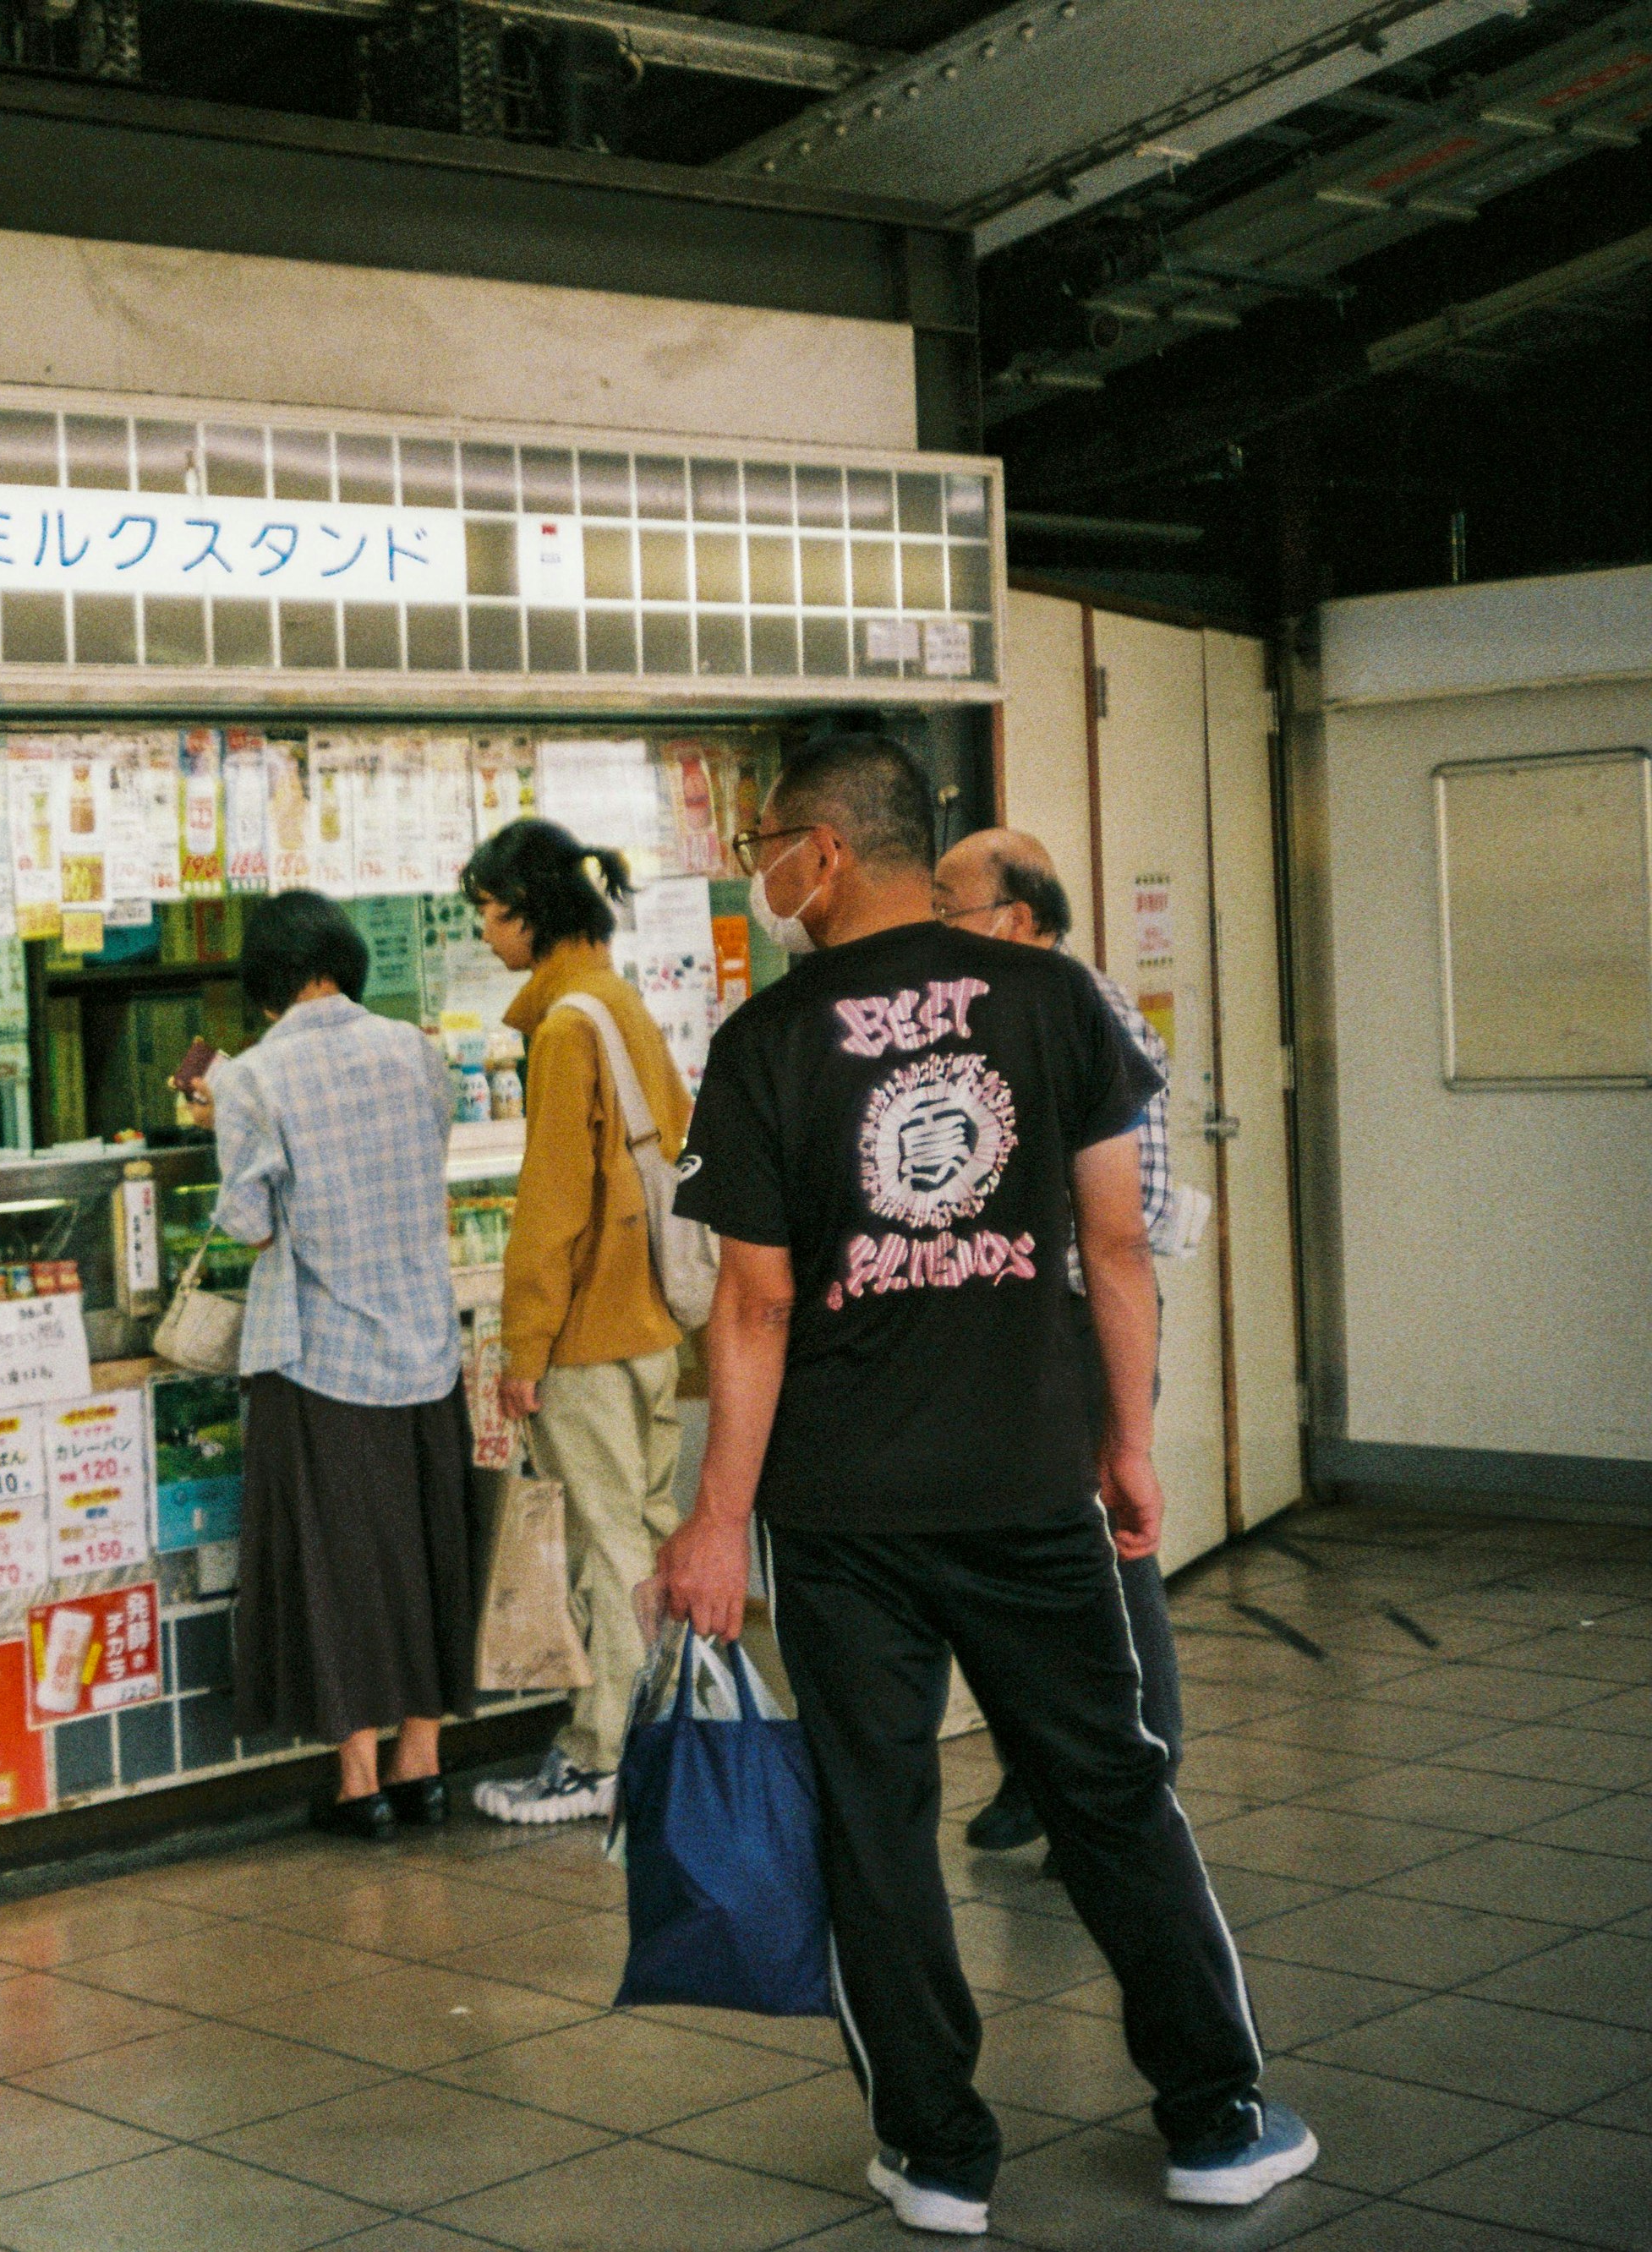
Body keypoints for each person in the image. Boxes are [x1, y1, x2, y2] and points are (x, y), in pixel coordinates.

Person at [650, 738, 1313, 2235]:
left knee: (876, 1815)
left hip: (838, 1507)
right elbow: (1117, 1245)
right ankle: (1215, 2117)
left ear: (820, 854)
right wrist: (1129, 1440)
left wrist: (714, 1517)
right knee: (1109, 1787)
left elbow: (751, 1307)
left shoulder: (765, 1041)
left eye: (766, 842)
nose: (761, 868)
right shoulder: (1052, 998)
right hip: (1026, 1475)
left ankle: (939, 2151)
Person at [932, 826, 1190, 1855]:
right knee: (1008, 1563)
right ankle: (1033, 1779)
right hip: (999, 1331)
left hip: (1077, 1328)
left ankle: (1143, 1782)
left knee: (1104, 1560)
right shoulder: (969, 1017)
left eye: (949, 908)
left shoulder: (1089, 1010)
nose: (934, 929)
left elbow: (1140, 1209)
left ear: (1020, 919)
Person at [206, 890, 480, 1840]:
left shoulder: (251, 1077)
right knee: (426, 1555)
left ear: (266, 978)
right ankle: (425, 1764)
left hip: (318, 1356)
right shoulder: (415, 1050)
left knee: (339, 1570)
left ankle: (358, 1782)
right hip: (424, 1347)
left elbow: (247, 1222)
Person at [454, 821, 691, 1827]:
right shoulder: (621, 1004)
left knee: (606, 1550)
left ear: (530, 913)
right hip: (649, 1325)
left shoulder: (562, 1029)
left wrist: (524, 1350)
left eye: (489, 916)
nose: (486, 936)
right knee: (643, 1531)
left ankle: (605, 1756)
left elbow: (550, 1211)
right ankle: (668, 1730)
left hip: (590, 1335)